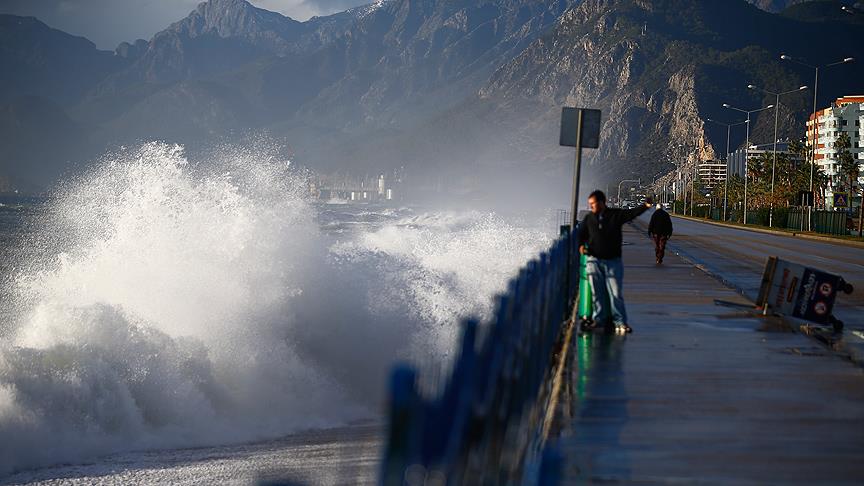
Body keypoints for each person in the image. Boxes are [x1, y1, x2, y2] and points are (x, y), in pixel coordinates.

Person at [577, 190, 652, 333]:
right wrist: (581, 246)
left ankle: (620, 322)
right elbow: (580, 234)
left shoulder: (614, 215)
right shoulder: (589, 218)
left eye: (593, 204)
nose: (591, 206)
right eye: (590, 204)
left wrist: (646, 206)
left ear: (601, 202)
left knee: (616, 293)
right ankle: (598, 320)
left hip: (613, 261)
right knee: (596, 293)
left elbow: (631, 213)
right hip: (594, 261)